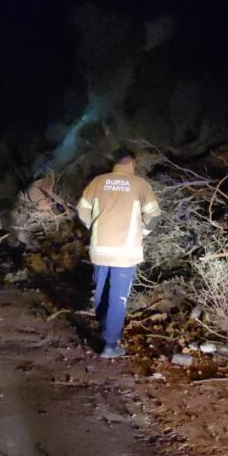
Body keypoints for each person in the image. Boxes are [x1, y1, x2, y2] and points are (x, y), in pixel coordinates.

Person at [77, 150, 161, 358]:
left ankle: (106, 328)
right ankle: (110, 345)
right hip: (125, 252)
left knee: (100, 292)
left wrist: (93, 226)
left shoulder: (98, 182)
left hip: (100, 249)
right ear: (131, 164)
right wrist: (142, 232)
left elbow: (82, 210)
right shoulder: (140, 184)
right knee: (118, 298)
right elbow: (154, 216)